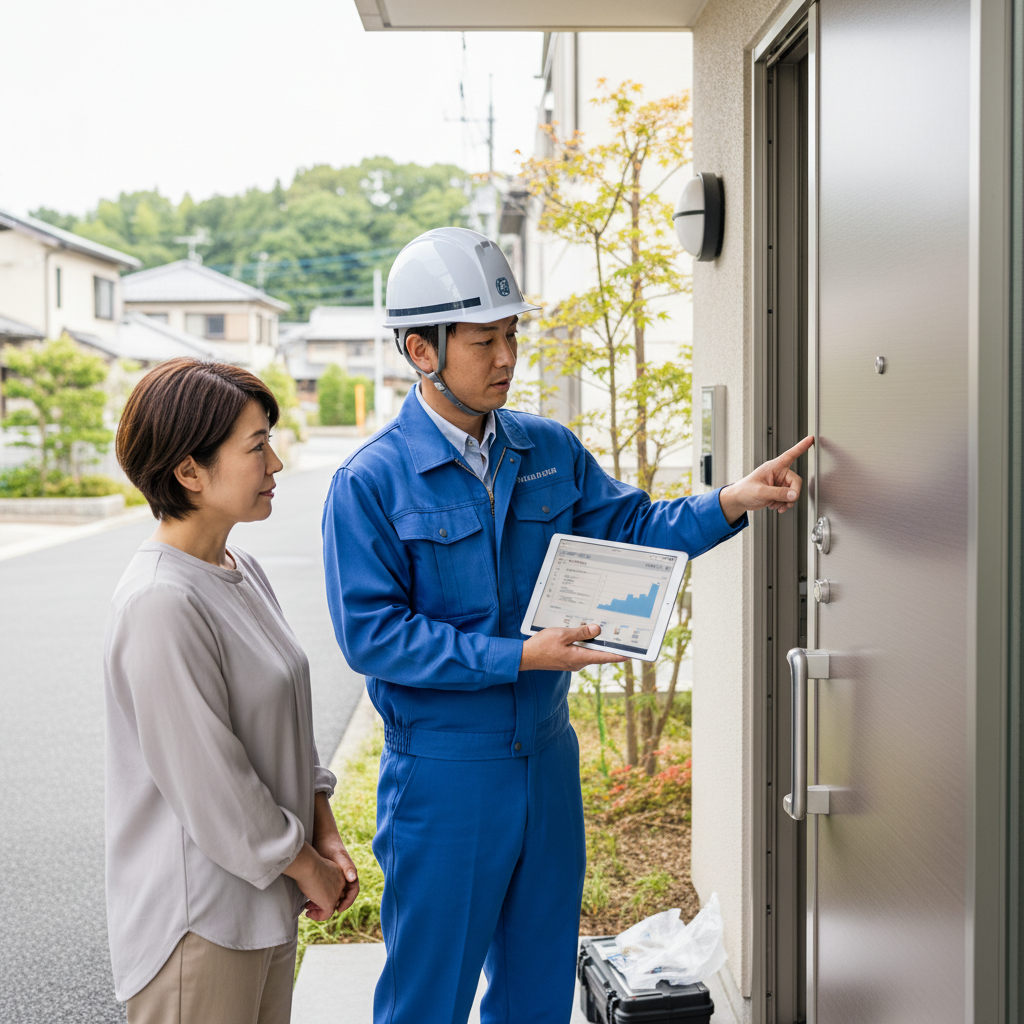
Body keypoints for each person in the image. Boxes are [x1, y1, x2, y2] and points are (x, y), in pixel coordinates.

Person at [321, 227, 812, 1024]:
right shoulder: (370, 482)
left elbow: (635, 525)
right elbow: (374, 636)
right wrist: (520, 656)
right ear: (421, 349)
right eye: (484, 340)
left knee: (538, 989)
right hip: (445, 778)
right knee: (427, 1000)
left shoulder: (546, 448)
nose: (507, 356)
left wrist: (731, 501)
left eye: (512, 333)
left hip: (546, 762)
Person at [105, 359, 359, 1024]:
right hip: (200, 924)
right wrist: (306, 866)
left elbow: (288, 730)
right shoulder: (161, 601)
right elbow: (213, 786)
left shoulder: (238, 568)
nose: (275, 463)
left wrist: (323, 834)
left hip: (265, 902)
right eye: (256, 447)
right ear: (189, 471)